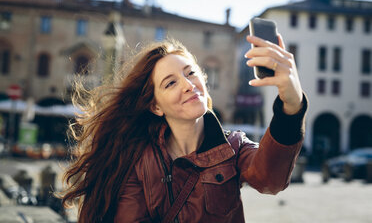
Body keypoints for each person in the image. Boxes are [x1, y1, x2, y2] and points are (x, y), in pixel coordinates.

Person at [60, 34, 307, 223]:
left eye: (191, 73)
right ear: (156, 107)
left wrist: (292, 106)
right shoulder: (135, 158)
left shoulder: (234, 147)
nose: (189, 85)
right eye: (170, 83)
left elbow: (271, 180)